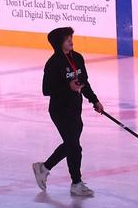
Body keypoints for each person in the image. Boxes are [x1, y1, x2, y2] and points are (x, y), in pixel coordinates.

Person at [32, 26, 102, 197]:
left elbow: (83, 83)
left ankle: (44, 167)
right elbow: (46, 90)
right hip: (59, 110)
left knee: (72, 145)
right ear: (58, 42)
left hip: (75, 108)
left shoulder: (78, 58)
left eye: (71, 37)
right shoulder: (53, 63)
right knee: (74, 146)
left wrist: (94, 100)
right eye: (66, 38)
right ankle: (76, 183)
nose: (70, 40)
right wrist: (67, 86)